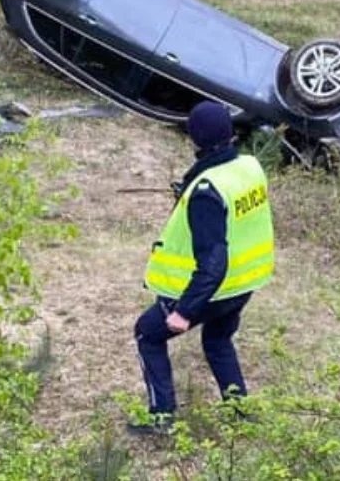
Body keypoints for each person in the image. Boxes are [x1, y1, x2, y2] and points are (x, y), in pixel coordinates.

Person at [128, 101, 276, 436]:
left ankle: (161, 418)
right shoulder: (249, 166)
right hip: (244, 283)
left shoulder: (207, 191)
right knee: (218, 339)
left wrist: (184, 310)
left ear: (194, 139)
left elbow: (212, 262)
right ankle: (241, 411)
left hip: (213, 289)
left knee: (147, 333)